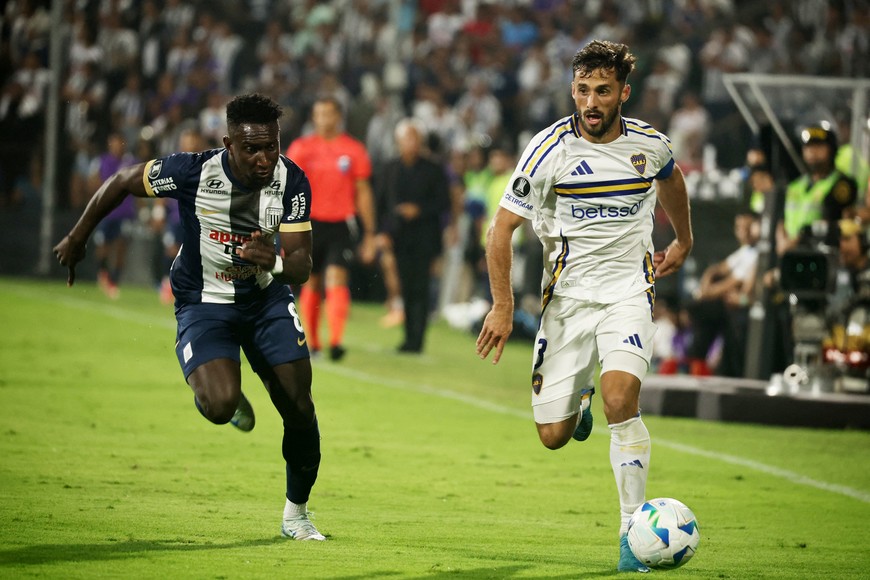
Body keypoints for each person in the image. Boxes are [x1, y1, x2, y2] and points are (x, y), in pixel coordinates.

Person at [54, 94, 327, 541]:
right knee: (219, 406)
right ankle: (227, 391)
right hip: (204, 302)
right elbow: (123, 182)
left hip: (266, 301)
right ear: (228, 143)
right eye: (251, 149)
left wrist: (273, 262)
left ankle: (296, 515)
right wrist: (79, 236)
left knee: (299, 407)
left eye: (271, 147)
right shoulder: (193, 171)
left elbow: (301, 264)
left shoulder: (292, 181)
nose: (264, 158)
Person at [475, 40, 693, 573]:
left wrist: (683, 241)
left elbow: (672, 180)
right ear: (572, 90)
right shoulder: (548, 149)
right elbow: (500, 231)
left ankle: (630, 534)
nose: (590, 102)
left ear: (623, 92)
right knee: (553, 437)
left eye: (601, 90)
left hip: (628, 294)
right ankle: (579, 401)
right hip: (567, 302)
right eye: (581, 90)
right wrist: (502, 306)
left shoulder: (650, 145)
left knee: (625, 401)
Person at [286, 95, 377, 361]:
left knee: (336, 277)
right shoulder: (301, 148)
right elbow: (287, 188)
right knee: (312, 282)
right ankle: (313, 343)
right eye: (320, 114)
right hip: (309, 223)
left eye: (329, 114)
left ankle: (336, 342)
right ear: (314, 117)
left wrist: (370, 232)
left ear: (338, 117)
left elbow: (363, 192)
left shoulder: (353, 150)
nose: (324, 119)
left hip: (341, 224)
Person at [375, 118, 451, 353]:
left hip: (425, 237)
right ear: (399, 141)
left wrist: (419, 210)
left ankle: (417, 340)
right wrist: (382, 232)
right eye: (407, 138)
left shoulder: (434, 169)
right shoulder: (390, 168)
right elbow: (380, 203)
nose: (411, 143)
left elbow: (443, 203)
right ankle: (409, 338)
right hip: (399, 236)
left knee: (421, 287)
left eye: (415, 138)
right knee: (405, 287)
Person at [686, 212, 760, 377]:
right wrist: (706, 282)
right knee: (704, 310)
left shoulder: (759, 252)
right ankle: (696, 362)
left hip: (745, 303)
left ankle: (695, 362)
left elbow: (737, 285)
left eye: (748, 227)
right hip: (731, 302)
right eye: (740, 228)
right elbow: (717, 269)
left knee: (704, 309)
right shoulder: (744, 251)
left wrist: (705, 293)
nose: (744, 232)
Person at [777, 122, 857, 255]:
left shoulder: (841, 184)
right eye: (808, 147)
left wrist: (796, 241)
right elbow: (781, 218)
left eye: (819, 146)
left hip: (821, 254)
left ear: (831, 150)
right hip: (789, 254)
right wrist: (782, 241)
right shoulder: (795, 186)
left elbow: (832, 220)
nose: (812, 152)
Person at [89, 132, 138, 299]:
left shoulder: (131, 162)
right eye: (113, 143)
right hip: (107, 212)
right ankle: (103, 274)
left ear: (123, 144)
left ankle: (114, 282)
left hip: (125, 213)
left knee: (120, 247)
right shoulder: (100, 161)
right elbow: (93, 182)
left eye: (119, 143)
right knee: (103, 245)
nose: (116, 146)